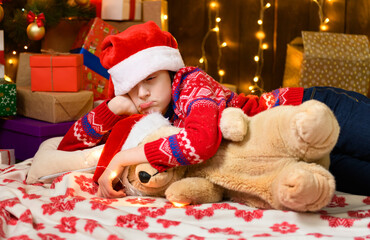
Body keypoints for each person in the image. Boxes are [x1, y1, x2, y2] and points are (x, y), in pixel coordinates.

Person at [58, 21, 370, 198]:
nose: (142, 92)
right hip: (288, 155)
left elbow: (202, 141)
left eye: (151, 79)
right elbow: (70, 144)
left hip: (308, 109)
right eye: (132, 87)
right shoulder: (155, 120)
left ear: (168, 70)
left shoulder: (192, 83)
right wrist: (115, 105)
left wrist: (123, 157)